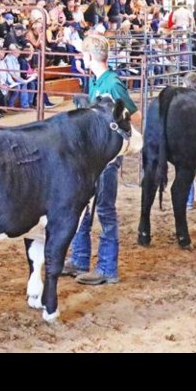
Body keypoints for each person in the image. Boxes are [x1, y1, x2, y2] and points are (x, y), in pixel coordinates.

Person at [63, 34, 139, 285]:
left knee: (105, 209)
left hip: (106, 156)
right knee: (85, 207)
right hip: (93, 155)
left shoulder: (112, 84)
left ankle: (107, 268)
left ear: (88, 57)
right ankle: (80, 258)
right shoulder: (99, 82)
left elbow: (131, 116)